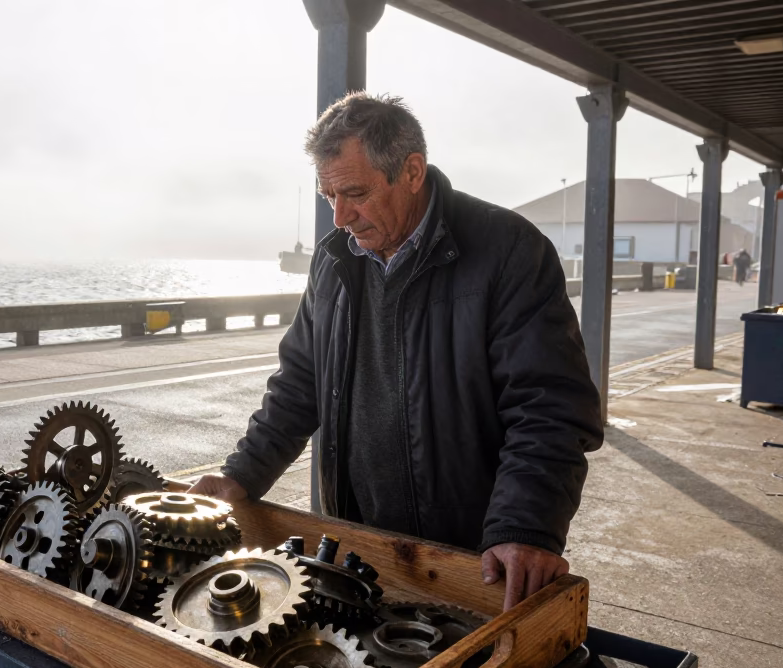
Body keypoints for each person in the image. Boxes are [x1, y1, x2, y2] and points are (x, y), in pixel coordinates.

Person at [192, 93, 603, 610]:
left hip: (472, 555)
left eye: (356, 193)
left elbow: (549, 410)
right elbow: (299, 384)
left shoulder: (510, 251)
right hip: (356, 544)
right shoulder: (333, 261)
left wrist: (525, 525)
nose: (341, 217)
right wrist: (241, 474)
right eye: (328, 197)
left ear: (412, 171)